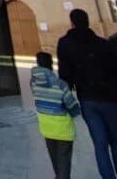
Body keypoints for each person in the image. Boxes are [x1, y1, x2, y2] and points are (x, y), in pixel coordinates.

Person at [57, 8, 117, 179]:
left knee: (100, 143)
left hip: (88, 98)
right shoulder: (103, 44)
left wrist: (65, 100)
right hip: (112, 99)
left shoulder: (65, 43)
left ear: (72, 23)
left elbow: (65, 75)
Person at [31, 51, 80, 179]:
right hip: (62, 127)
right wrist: (76, 112)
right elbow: (72, 105)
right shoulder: (60, 84)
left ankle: (58, 176)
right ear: (51, 64)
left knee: (54, 157)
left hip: (45, 125)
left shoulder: (33, 83)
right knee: (64, 159)